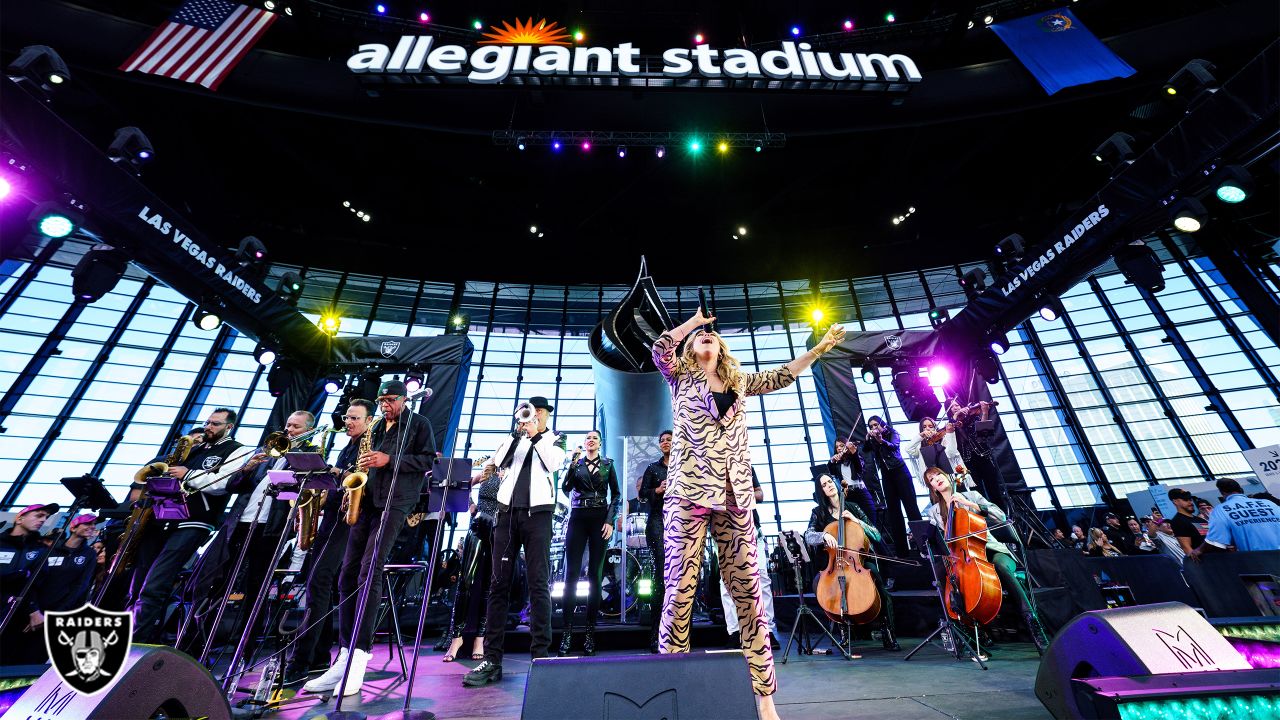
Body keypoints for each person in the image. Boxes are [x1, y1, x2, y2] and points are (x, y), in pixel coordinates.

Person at [646, 307, 843, 720]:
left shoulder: (739, 381)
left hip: (735, 497)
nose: (708, 338)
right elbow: (659, 346)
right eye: (702, 336)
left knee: (750, 597)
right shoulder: (679, 376)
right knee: (680, 593)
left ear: (722, 349)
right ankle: (669, 689)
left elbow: (782, 375)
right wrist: (695, 322)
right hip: (688, 496)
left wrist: (820, 349)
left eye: (714, 336)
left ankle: (764, 695)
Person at [305, 381, 436, 697]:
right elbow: (365, 460)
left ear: (404, 400)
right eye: (382, 400)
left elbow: (428, 461)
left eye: (391, 400)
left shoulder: (418, 424)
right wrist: (361, 466)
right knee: (347, 573)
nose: (385, 405)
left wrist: (389, 461)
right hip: (365, 500)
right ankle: (345, 653)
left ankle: (361, 655)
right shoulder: (376, 427)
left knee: (369, 570)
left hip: (396, 501)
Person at [184, 410, 319, 653]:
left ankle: (245, 646)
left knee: (257, 587)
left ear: (308, 430)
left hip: (271, 529)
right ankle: (199, 639)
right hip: (241, 523)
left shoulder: (307, 455)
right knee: (217, 580)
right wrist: (246, 469)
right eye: (288, 424)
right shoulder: (266, 453)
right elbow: (233, 486)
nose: (289, 430)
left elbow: (300, 495)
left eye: (296, 427)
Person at [463, 396, 566, 688]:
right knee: (498, 586)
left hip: (538, 516)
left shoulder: (556, 440)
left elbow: (553, 463)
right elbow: (497, 461)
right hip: (507, 515)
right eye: (530, 413)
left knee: (538, 584)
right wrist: (516, 432)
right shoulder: (515, 437)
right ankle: (492, 659)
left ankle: (541, 657)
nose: (533, 417)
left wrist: (536, 436)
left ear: (546, 416)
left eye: (540, 413)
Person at [131, 408, 246, 643]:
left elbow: (223, 483)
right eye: (207, 422)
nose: (208, 427)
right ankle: (140, 632)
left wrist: (188, 473)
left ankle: (138, 640)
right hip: (165, 518)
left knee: (157, 581)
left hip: (195, 520)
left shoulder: (237, 450)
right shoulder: (196, 448)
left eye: (215, 424)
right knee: (140, 580)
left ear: (229, 427)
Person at [283, 399, 373, 686]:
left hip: (348, 519)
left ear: (369, 421)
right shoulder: (348, 444)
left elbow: (364, 481)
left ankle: (303, 659)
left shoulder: (367, 446)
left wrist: (337, 473)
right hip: (333, 515)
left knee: (319, 582)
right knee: (321, 583)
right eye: (346, 417)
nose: (348, 422)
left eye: (355, 418)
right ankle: (319, 654)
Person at [922, 467, 1050, 654]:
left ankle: (1034, 626)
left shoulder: (971, 495)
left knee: (1001, 567)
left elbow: (1001, 516)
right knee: (941, 572)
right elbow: (940, 539)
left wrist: (970, 504)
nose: (937, 479)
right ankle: (971, 632)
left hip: (990, 549)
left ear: (947, 476)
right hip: (962, 556)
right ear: (932, 488)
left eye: (938, 474)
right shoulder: (934, 511)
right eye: (932, 479)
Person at [804, 473, 898, 650]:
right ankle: (843, 632)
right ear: (821, 490)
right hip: (834, 564)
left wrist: (857, 521)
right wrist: (823, 535)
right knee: (824, 587)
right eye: (824, 484)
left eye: (830, 482)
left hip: (858, 562)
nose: (828, 485)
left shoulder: (853, 507)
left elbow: (876, 534)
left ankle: (888, 632)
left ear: (837, 484)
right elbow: (808, 536)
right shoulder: (819, 513)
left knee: (878, 582)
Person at [556, 430, 621, 655]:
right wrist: (572, 465)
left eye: (594, 438)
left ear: (600, 443)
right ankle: (567, 632)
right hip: (578, 516)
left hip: (599, 519)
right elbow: (565, 488)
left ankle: (590, 633)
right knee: (571, 574)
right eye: (587, 438)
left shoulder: (608, 464)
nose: (590, 440)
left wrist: (610, 520)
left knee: (595, 574)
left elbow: (617, 495)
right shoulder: (577, 463)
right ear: (584, 444)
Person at [440, 452, 502, 663]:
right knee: (466, 582)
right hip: (478, 527)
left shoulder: (514, 473)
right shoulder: (488, 473)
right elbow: (462, 485)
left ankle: (479, 639)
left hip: (500, 530)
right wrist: (471, 506)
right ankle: (456, 638)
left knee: (488, 586)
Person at [719, 469, 779, 650]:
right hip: (724, 529)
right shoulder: (711, 466)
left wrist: (741, 494)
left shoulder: (746, 466)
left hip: (752, 528)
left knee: (762, 579)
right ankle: (734, 632)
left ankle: (767, 631)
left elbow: (760, 494)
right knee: (727, 582)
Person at [0, 503, 58, 665]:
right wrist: (18, 575)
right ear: (19, 518)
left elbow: (35, 584)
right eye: (38, 515)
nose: (43, 520)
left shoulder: (39, 550)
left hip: (15, 617)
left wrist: (33, 610)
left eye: (45, 517)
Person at [861, 415, 921, 558]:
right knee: (894, 513)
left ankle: (923, 547)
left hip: (900, 472)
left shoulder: (892, 433)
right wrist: (868, 438)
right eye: (871, 426)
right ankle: (902, 552)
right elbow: (865, 449)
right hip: (887, 477)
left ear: (883, 425)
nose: (874, 428)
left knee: (911, 508)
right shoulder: (874, 439)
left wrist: (881, 440)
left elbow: (894, 446)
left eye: (876, 425)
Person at [637, 429, 671, 652]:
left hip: (683, 522)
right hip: (658, 521)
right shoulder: (653, 468)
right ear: (659, 445)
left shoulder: (684, 465)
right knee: (661, 576)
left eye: (670, 440)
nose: (666, 443)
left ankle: (677, 632)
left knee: (679, 578)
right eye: (663, 441)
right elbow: (642, 495)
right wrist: (657, 490)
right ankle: (655, 634)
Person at [1187, 479, 1280, 560]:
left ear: (1222, 492)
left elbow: (1216, 540)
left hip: (1261, 561)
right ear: (1240, 489)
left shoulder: (1221, 509)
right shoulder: (1269, 503)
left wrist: (1199, 550)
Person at [944, 398, 1006, 508]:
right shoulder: (949, 425)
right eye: (952, 406)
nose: (956, 407)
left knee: (994, 489)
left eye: (957, 405)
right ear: (949, 410)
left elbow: (984, 436)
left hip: (983, 457)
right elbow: (951, 445)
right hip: (967, 464)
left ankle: (1002, 515)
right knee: (977, 493)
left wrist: (985, 412)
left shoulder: (972, 418)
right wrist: (955, 417)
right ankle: (986, 519)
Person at [41, 514, 99, 613]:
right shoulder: (53, 548)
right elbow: (37, 577)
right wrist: (33, 610)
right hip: (38, 605)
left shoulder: (90, 554)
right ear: (73, 528)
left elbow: (81, 585)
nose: (93, 527)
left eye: (94, 524)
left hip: (62, 610)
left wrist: (60, 611)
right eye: (87, 523)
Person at [828, 437, 877, 524]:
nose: (839, 448)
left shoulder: (855, 457)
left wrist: (854, 453)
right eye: (837, 447)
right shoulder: (838, 463)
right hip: (847, 495)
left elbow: (860, 469)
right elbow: (830, 473)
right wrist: (832, 461)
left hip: (860, 492)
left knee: (870, 521)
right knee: (852, 524)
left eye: (841, 446)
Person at [903, 417, 962, 483]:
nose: (927, 428)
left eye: (930, 426)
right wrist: (921, 435)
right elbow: (908, 449)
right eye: (924, 427)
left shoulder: (944, 440)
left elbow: (951, 454)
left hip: (949, 478)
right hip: (932, 481)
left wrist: (950, 433)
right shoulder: (920, 447)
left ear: (935, 428)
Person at [1167, 488, 1208, 555]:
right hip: (1206, 561)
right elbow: (1187, 549)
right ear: (1175, 501)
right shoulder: (1178, 521)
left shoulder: (1200, 520)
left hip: (1219, 556)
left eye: (1190, 500)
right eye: (1185, 500)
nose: (1191, 503)